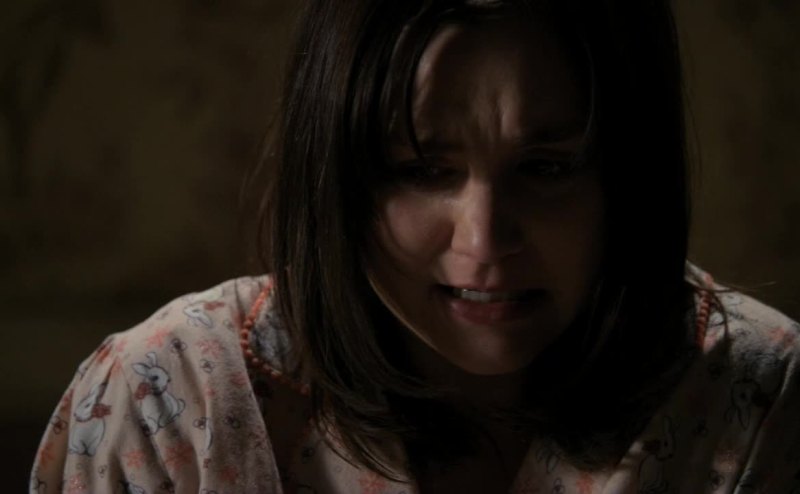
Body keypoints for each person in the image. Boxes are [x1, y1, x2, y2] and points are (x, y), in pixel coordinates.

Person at [31, 0, 800, 493]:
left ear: (629, 177)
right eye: (423, 170)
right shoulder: (168, 401)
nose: (485, 239)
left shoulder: (757, 397)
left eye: (548, 168)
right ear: (335, 174)